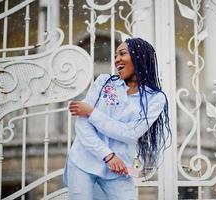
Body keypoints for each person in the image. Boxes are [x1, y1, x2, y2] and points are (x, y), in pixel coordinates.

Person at [63, 37, 171, 199]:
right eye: (115, 55)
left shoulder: (156, 98)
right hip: (83, 161)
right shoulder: (104, 82)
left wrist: (93, 113)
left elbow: (131, 133)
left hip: (118, 170)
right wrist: (108, 155)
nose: (116, 59)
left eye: (122, 54)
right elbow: (82, 125)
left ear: (139, 57)